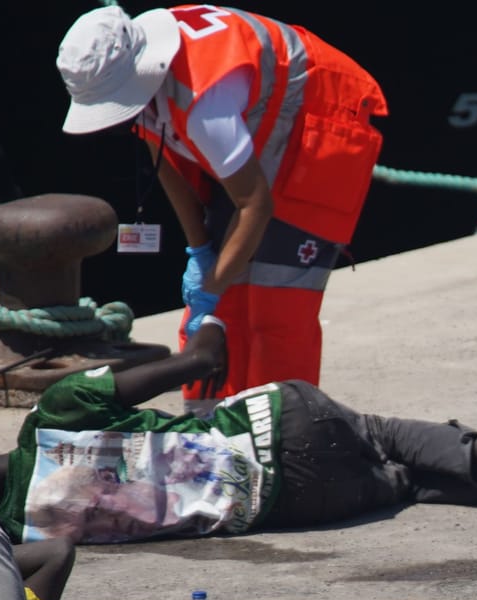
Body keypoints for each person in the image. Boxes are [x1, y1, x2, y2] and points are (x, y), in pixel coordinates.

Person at [0, 320, 477, 545]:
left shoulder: (27, 529)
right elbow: (192, 364)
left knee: (403, 486)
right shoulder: (59, 410)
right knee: (385, 432)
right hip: (274, 430)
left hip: (285, 504)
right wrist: (205, 338)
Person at [55, 4, 389, 408]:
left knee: (274, 306)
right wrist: (199, 253)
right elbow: (168, 165)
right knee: (223, 298)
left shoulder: (206, 106)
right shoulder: (142, 79)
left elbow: (254, 205)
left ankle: (286, 432)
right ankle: (210, 426)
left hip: (317, 119)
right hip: (256, 125)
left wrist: (210, 288)